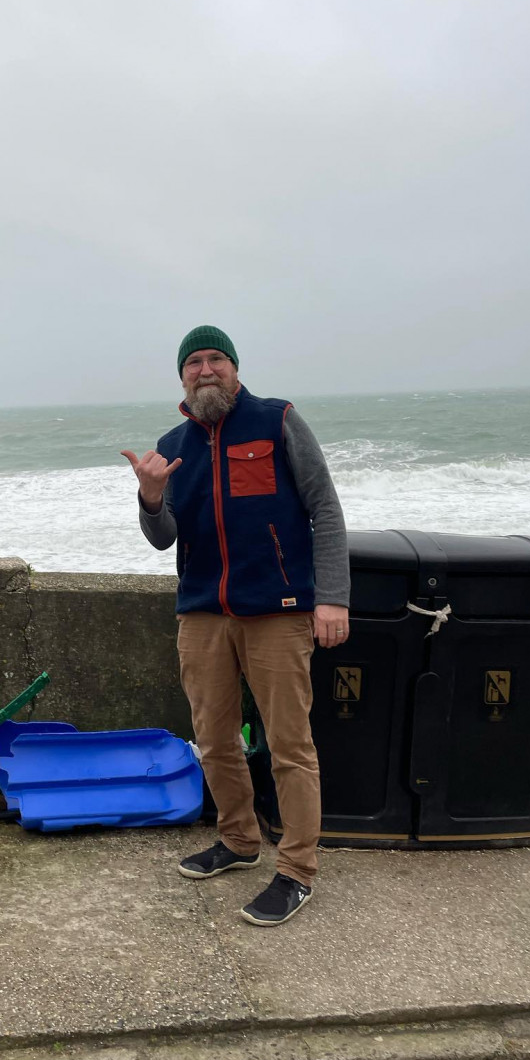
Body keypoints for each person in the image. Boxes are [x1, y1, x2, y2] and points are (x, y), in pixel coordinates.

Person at [122, 325, 350, 927]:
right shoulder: (174, 444)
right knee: (214, 737)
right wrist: (149, 497)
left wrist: (332, 599)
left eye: (215, 359)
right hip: (202, 611)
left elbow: (324, 507)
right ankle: (239, 840)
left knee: (289, 745)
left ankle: (297, 870)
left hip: (278, 609)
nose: (205, 370)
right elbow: (162, 537)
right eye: (193, 362)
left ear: (234, 367)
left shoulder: (277, 421)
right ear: (181, 377)